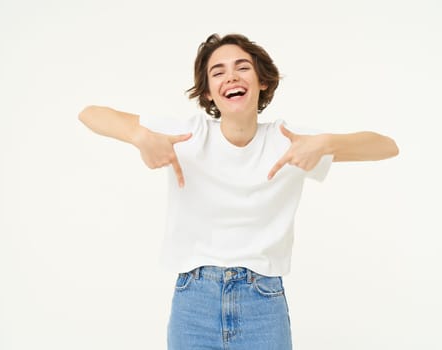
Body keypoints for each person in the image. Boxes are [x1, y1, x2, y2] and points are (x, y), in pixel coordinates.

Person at [78, 33, 399, 350]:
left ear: (262, 81)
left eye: (242, 67)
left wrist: (328, 143)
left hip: (262, 301)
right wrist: (140, 136)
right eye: (218, 71)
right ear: (207, 94)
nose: (230, 76)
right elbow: (90, 114)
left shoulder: (290, 140)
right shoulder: (188, 135)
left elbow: (387, 147)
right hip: (194, 302)